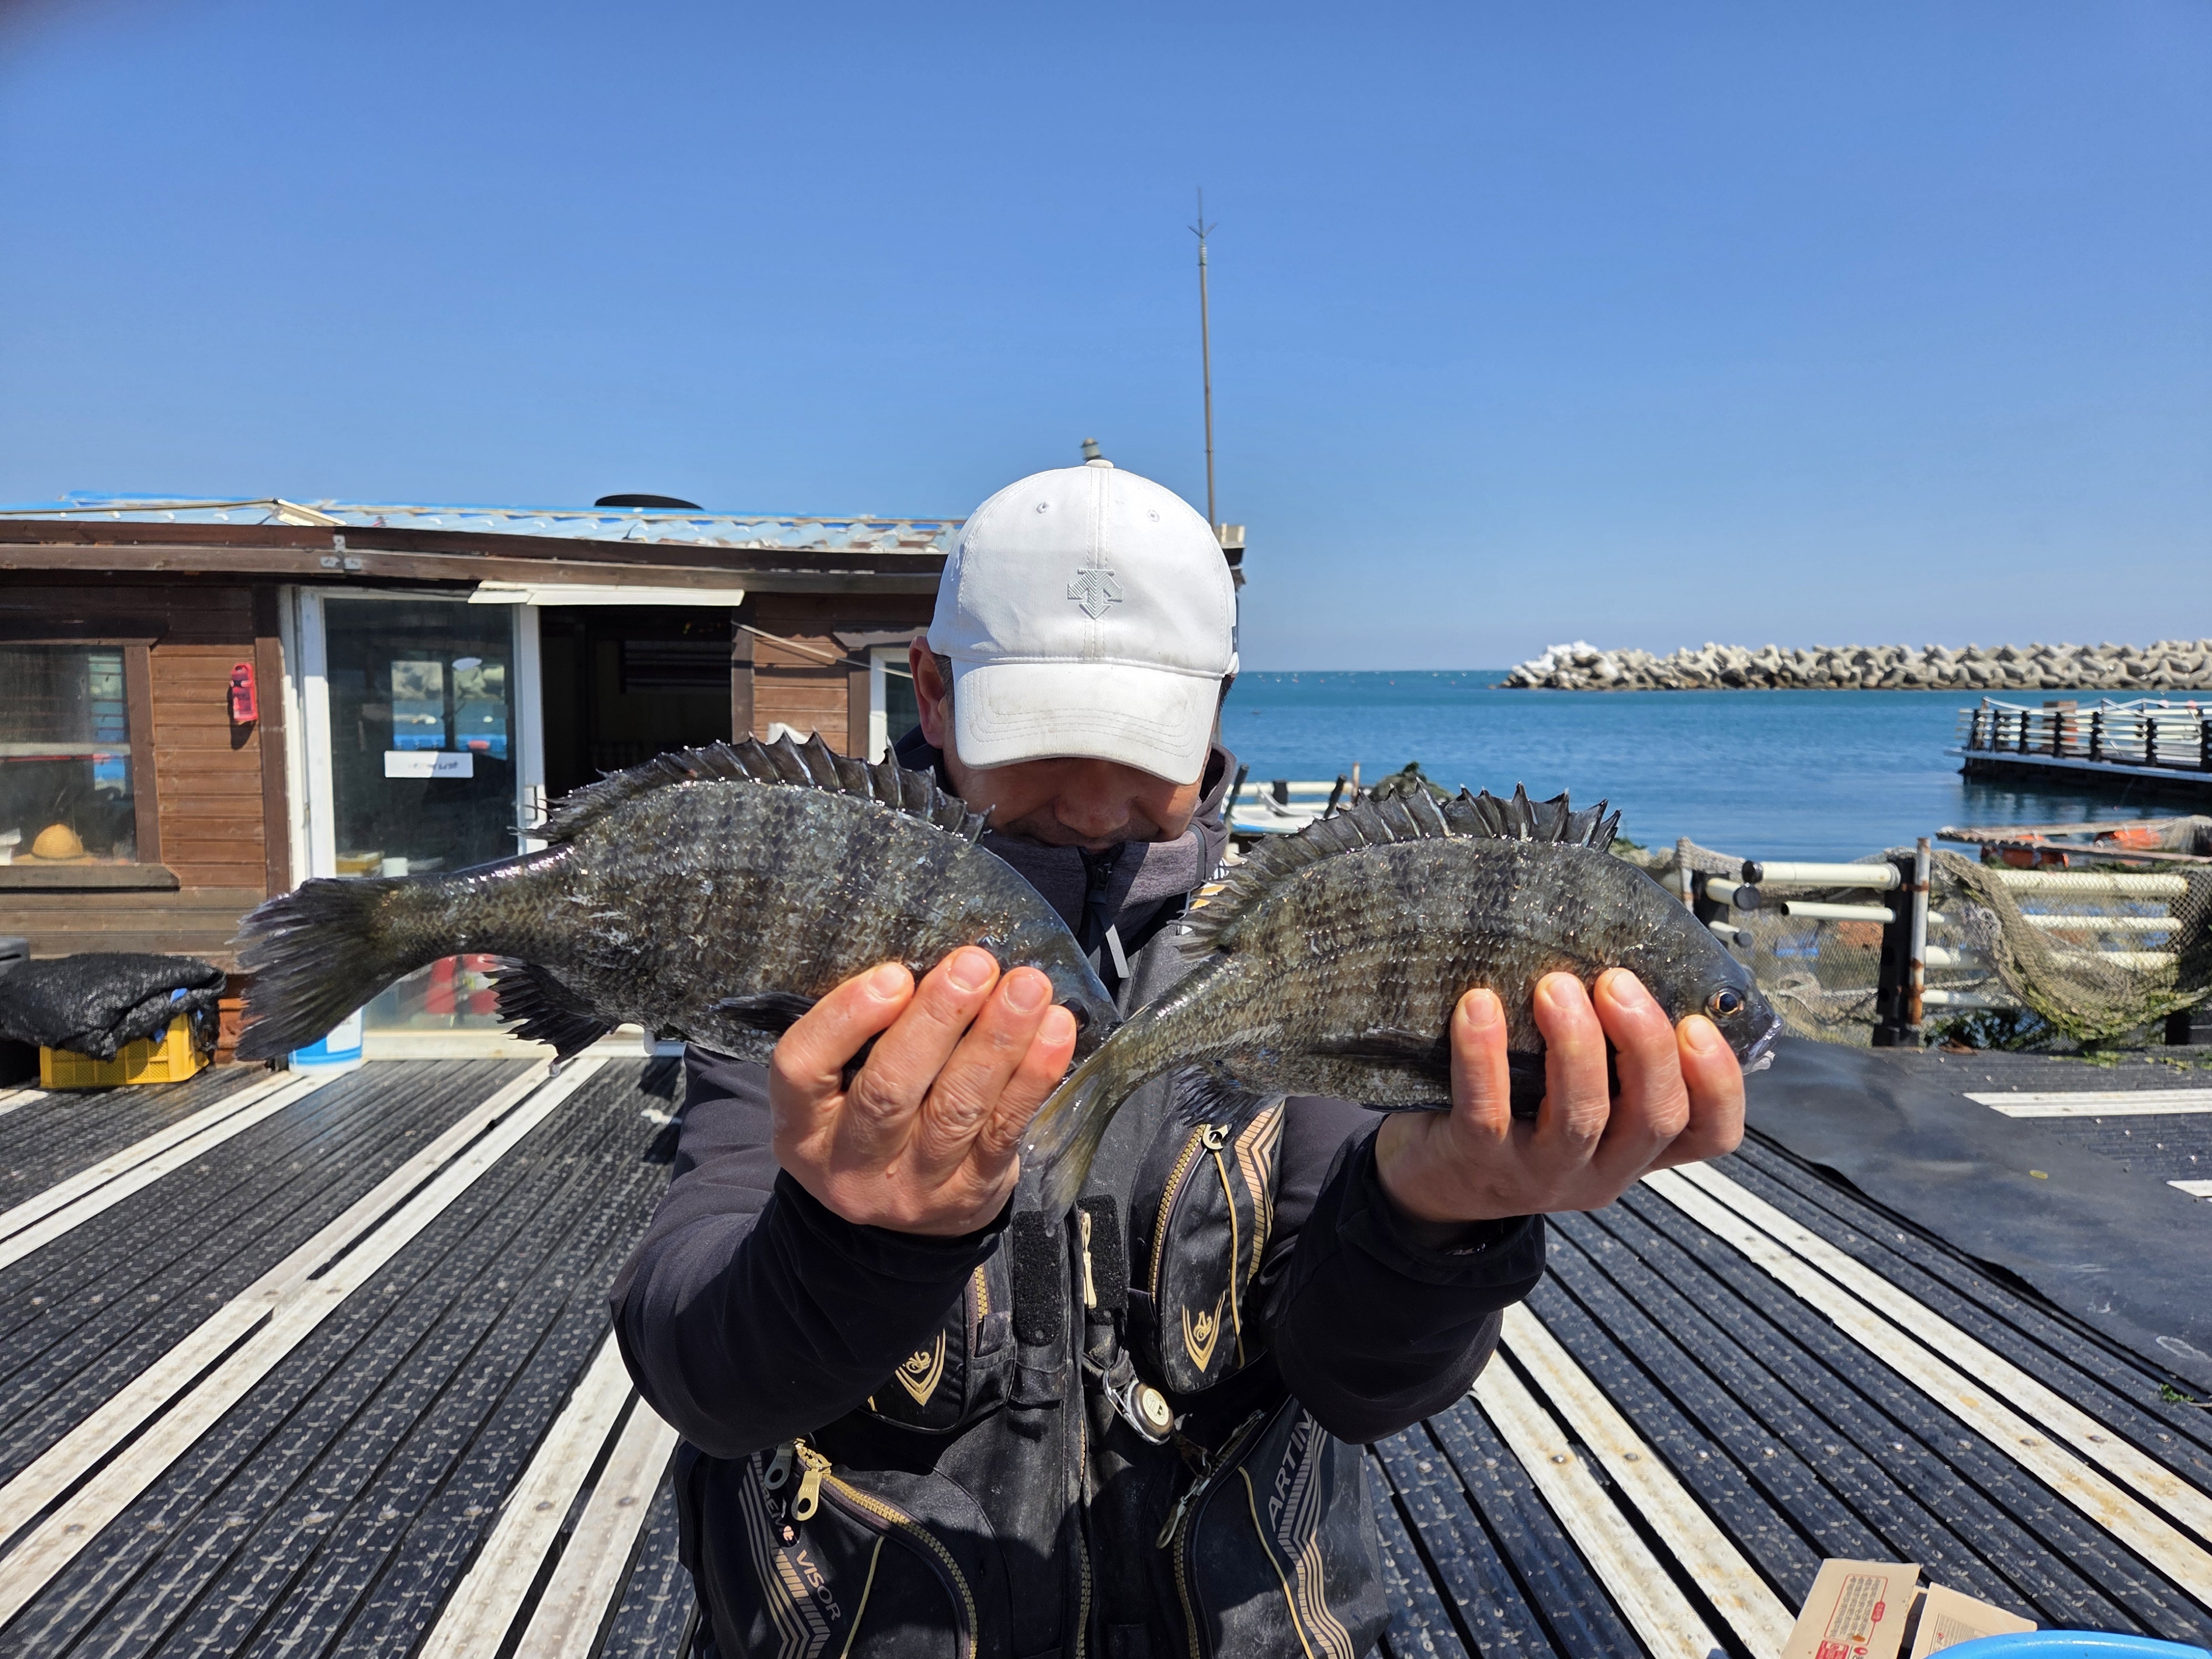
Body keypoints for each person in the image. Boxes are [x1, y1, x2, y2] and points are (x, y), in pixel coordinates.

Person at [611, 453, 1745, 1658]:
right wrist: (848, 1242)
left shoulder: (1312, 944)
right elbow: (700, 1372)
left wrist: (1439, 1218)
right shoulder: (816, 928)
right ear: (933, 692)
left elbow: (1355, 1385)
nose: (1095, 805)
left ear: (1214, 711)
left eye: (1141, 743)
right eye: (1041, 740)